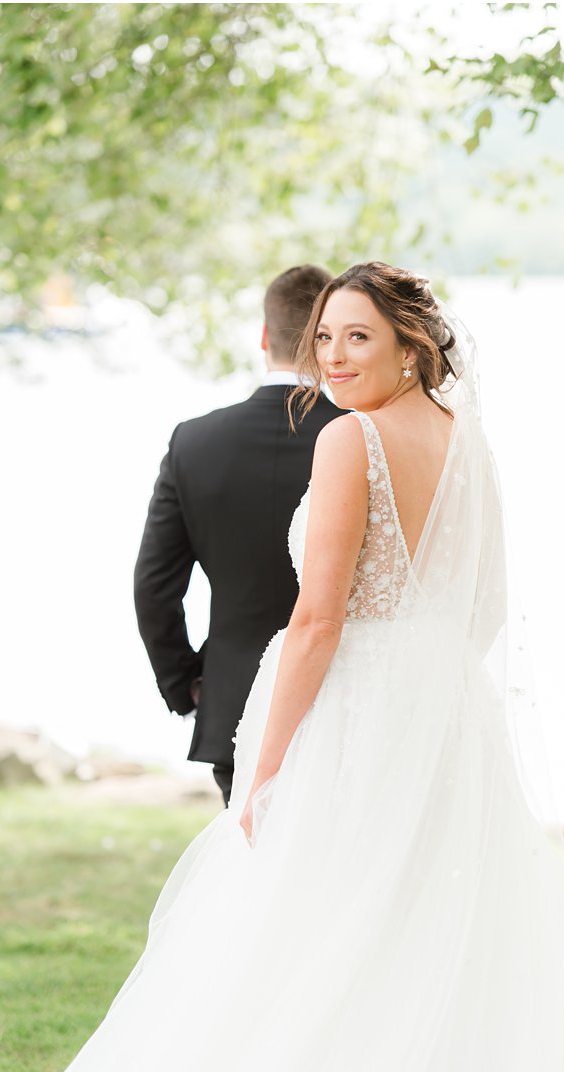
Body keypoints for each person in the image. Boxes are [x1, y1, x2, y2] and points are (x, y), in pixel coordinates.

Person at [5, 263, 564, 1072]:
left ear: (412, 345)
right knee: (438, 923)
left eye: (358, 337)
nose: (334, 358)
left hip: (357, 712)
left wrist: (265, 764)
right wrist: (432, 678)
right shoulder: (468, 440)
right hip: (450, 708)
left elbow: (316, 620)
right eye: (326, 338)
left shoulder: (351, 440)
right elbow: (482, 604)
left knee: (317, 926)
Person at [134, 265, 344, 806]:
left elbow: (154, 587)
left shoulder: (194, 442)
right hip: (348, 697)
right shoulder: (362, 437)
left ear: (263, 337)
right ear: (325, 342)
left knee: (255, 876)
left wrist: (187, 686)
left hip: (235, 703)